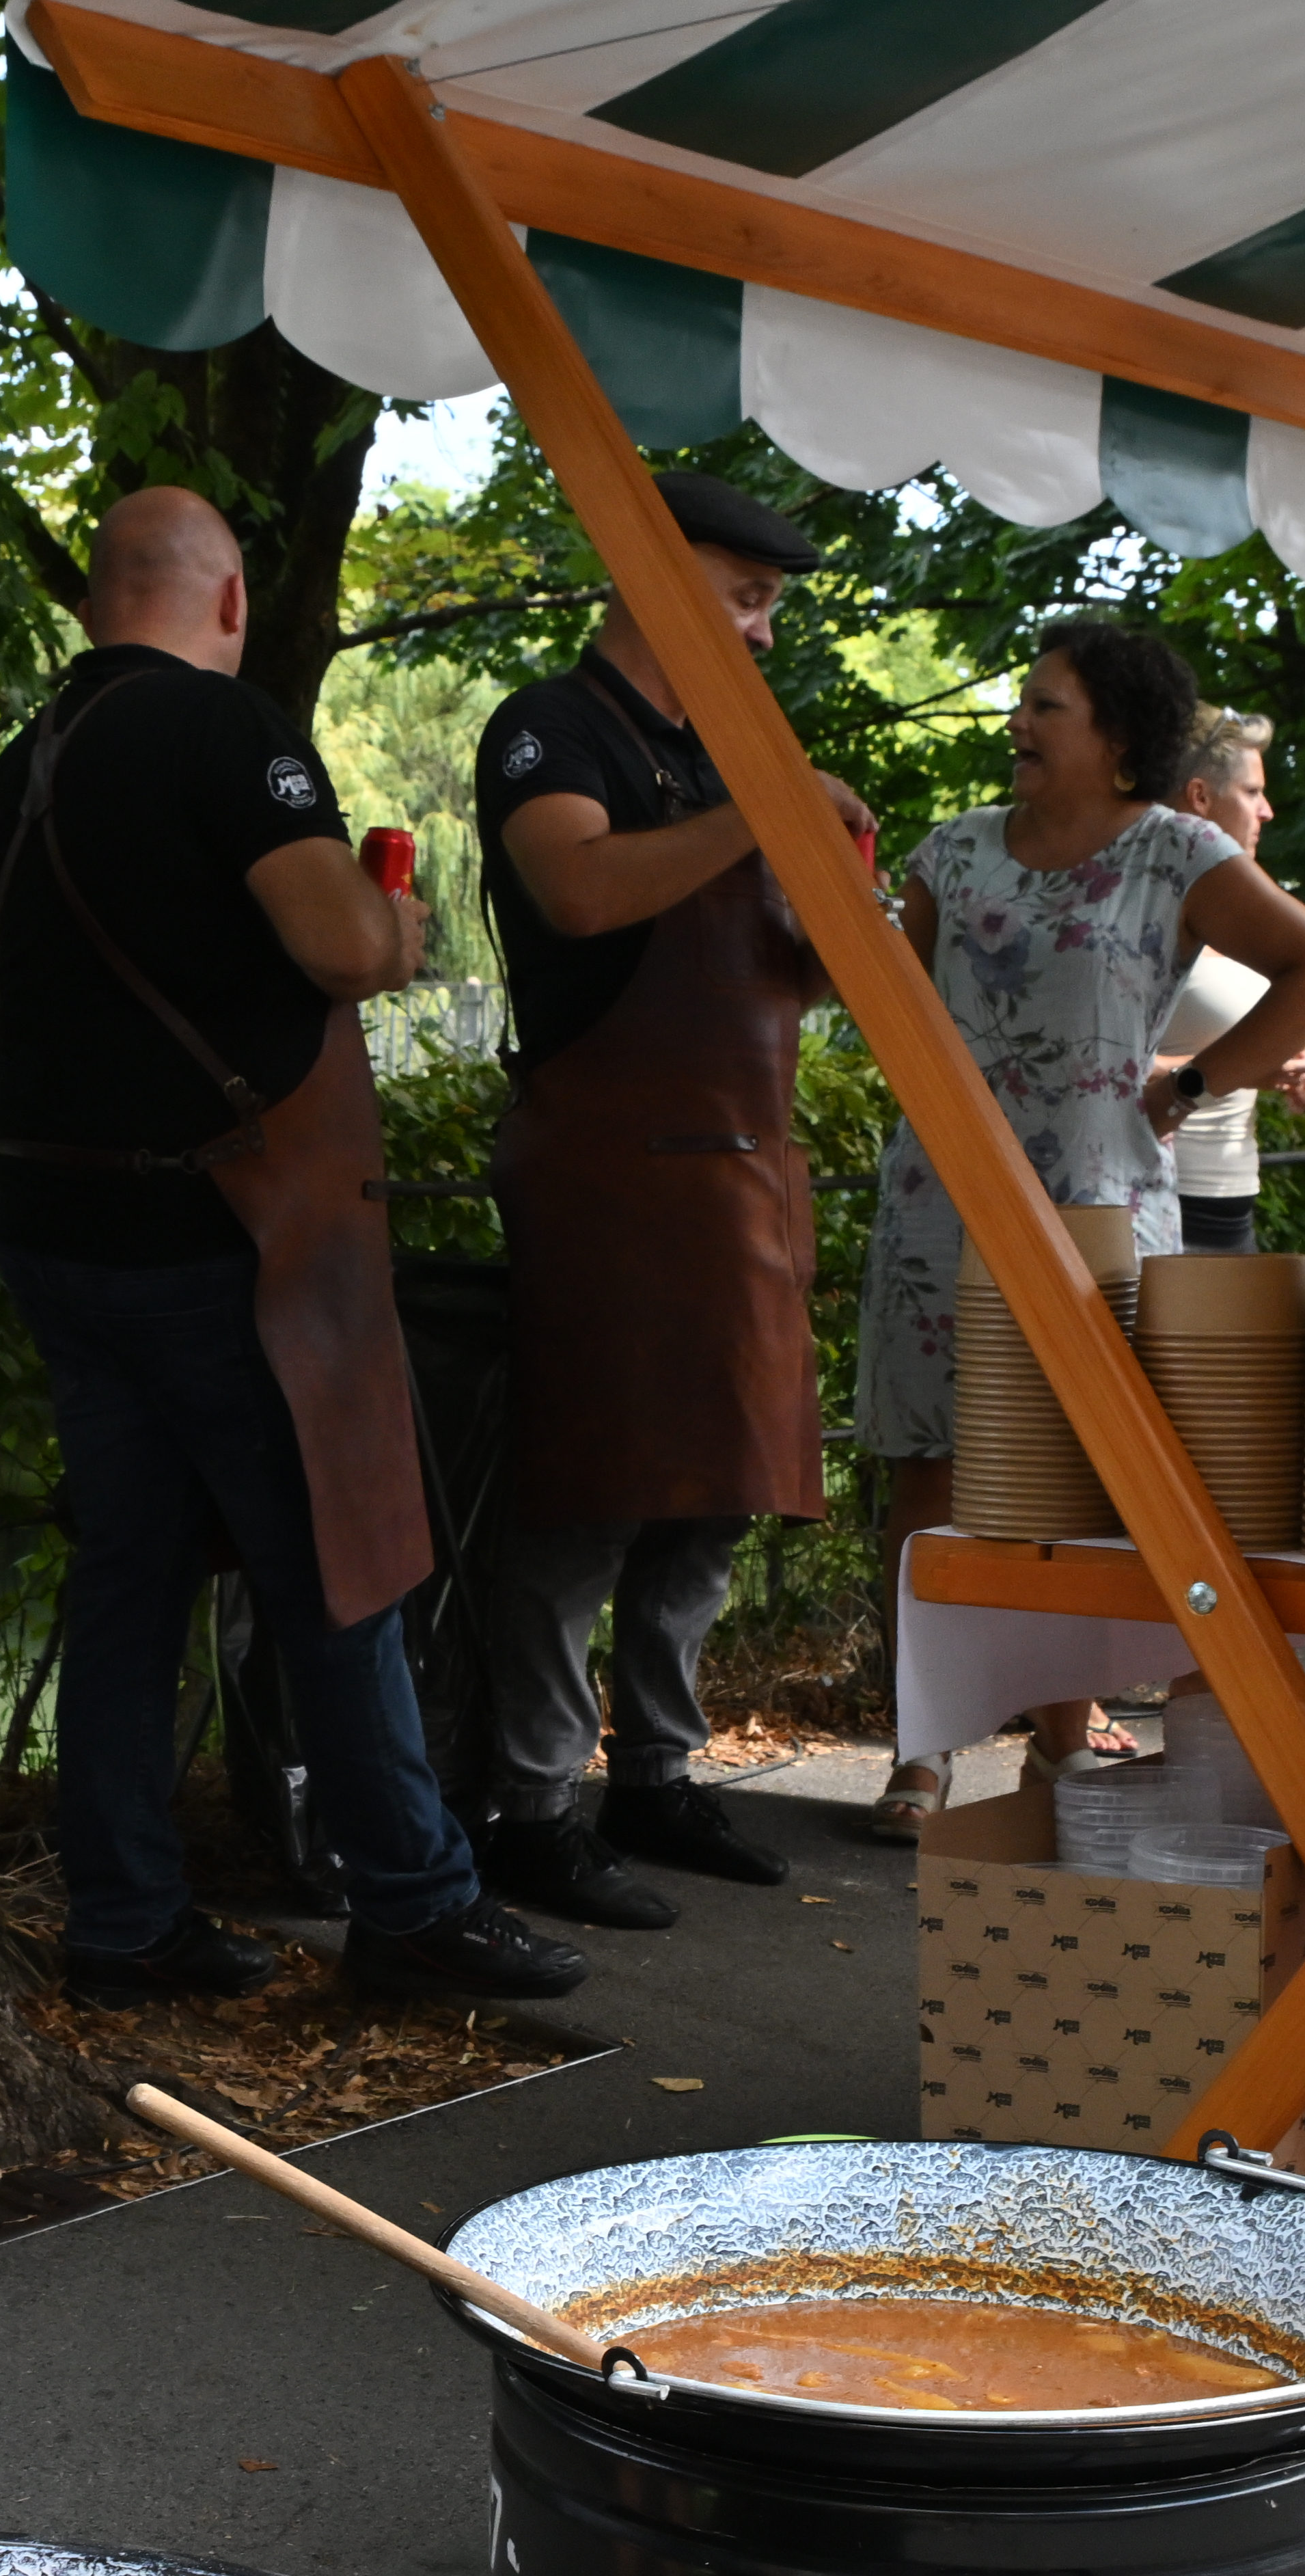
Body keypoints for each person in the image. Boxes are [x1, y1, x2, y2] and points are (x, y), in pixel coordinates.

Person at [0, 492, 581, 2007]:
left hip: (58, 1228)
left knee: (130, 1579)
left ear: (101, 600)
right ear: (227, 603)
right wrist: (397, 923)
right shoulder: (234, 739)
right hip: (222, 1234)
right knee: (335, 1569)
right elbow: (345, 948)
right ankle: (415, 1903)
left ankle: (124, 1920)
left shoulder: (19, 766)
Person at [847, 622, 1305, 1841]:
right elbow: (890, 1010)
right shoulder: (952, 854)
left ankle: (1062, 1746)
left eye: (1045, 705)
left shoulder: (1176, 852)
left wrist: (1193, 1084)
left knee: (1076, 1486)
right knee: (931, 1472)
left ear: (1118, 735)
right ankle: (920, 1753)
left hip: (1097, 1211)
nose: (1016, 723)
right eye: (1020, 700)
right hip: (942, 1209)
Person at [457, 468, 868, 1932]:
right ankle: (530, 1803)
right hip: (610, 1179)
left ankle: (661, 1776)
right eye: (745, 598)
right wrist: (761, 813)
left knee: (714, 1505)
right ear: (657, 578)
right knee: (590, 1500)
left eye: (767, 607)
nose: (761, 635)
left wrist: (840, 886)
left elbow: (814, 976)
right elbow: (577, 888)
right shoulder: (549, 728)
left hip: (744, 1171)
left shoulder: (732, 752)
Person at [1151, 707, 1305, 1251]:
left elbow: (1244, 1040)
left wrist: (1299, 1065)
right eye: (1252, 793)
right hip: (1156, 1201)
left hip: (1232, 1206)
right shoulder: (1142, 910)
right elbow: (1079, 1066)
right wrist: (1229, 1069)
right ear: (1200, 797)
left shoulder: (1247, 916)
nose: (1268, 811)